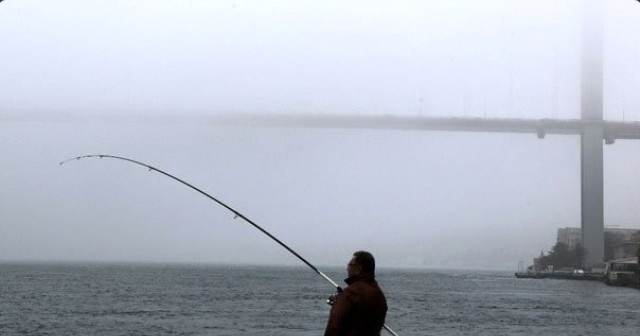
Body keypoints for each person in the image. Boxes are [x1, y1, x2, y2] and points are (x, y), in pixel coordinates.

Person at [324, 250, 388, 336]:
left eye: (350, 265)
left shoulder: (349, 294)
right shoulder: (380, 296)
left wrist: (340, 301)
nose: (347, 269)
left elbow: (333, 328)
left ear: (358, 269)